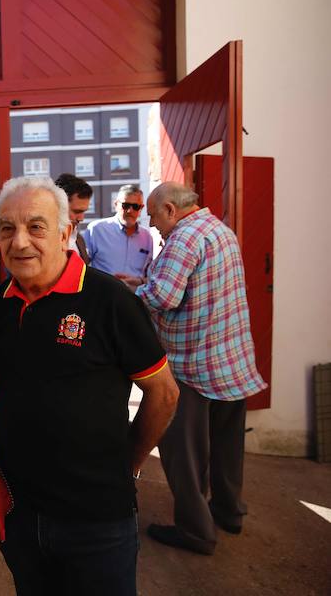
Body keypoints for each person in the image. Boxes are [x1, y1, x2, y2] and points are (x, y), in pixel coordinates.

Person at [0, 176, 179, 595]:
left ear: (66, 233)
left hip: (98, 520)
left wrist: (130, 461)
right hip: (21, 515)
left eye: (36, 227)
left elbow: (164, 393)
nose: (20, 243)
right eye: (7, 229)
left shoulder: (111, 302)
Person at [134, 182, 267, 555]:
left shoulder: (183, 238)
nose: (152, 222)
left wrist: (131, 293)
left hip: (195, 365)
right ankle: (228, 513)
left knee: (183, 453)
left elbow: (163, 296)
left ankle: (195, 530)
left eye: (154, 214)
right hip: (231, 362)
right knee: (227, 446)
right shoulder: (220, 230)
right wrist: (147, 282)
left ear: (171, 210)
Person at [83, 184, 154, 281]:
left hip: (133, 295)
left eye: (135, 206)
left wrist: (139, 281)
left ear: (141, 208)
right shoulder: (96, 230)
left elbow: (149, 274)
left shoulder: (147, 238)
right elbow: (82, 266)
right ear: (116, 204)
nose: (130, 211)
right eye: (125, 205)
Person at [54, 173, 93, 263]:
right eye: (77, 211)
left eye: (84, 211)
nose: (81, 218)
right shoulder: (42, 241)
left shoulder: (79, 240)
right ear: (58, 205)